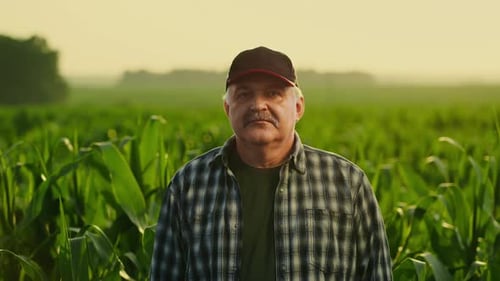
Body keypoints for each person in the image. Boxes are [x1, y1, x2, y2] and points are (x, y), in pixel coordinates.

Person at [150, 46, 393, 280]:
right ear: (227, 108)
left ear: (298, 107)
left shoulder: (348, 183)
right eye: (244, 94)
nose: (258, 105)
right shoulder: (189, 184)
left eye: (273, 94)